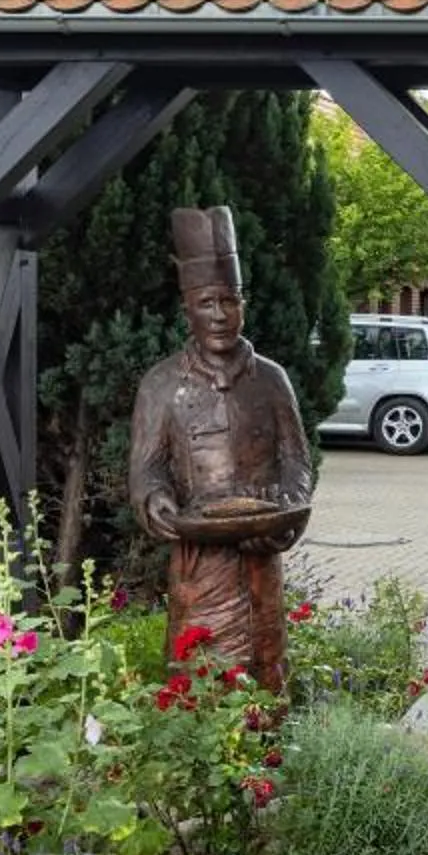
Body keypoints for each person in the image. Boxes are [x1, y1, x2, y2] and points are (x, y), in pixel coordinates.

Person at [130, 207, 312, 693]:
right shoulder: (162, 385)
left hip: (260, 557)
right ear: (188, 307)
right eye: (208, 302)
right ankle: (205, 764)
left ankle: (264, 761)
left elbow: (297, 461)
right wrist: (157, 502)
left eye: (230, 301)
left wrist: (286, 514)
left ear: (243, 305)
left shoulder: (271, 380)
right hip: (198, 565)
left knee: (266, 666)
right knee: (200, 673)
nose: (220, 315)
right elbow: (147, 471)